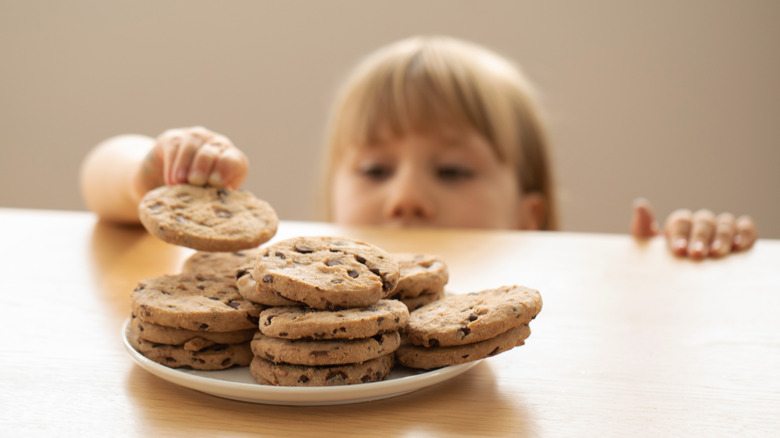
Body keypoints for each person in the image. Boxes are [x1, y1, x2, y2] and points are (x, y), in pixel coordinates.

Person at [80, 35, 757, 259]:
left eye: (454, 170)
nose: (404, 196)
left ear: (529, 216)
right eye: (374, 167)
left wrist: (685, 260)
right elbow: (97, 182)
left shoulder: (553, 291)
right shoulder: (290, 283)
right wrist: (151, 172)